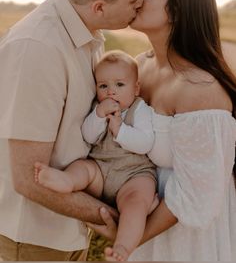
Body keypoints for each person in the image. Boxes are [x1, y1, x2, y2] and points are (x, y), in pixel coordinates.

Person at [0, 0, 153, 261]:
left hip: (66, 232)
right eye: (134, 1)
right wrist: (111, 216)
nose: (141, 5)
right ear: (100, 6)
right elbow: (28, 178)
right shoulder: (38, 49)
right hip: (31, 240)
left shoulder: (88, 36)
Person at [87, 0, 236, 261]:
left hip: (186, 235)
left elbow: (196, 194)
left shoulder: (200, 88)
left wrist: (129, 239)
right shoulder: (137, 67)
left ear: (177, 11)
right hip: (140, 215)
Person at [34, 50, 159, 262]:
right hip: (101, 168)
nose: (111, 92)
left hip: (134, 174)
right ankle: (66, 180)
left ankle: (123, 247)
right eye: (103, 86)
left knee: (136, 203)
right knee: (83, 167)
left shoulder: (140, 109)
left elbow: (146, 142)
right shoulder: (97, 109)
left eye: (120, 85)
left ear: (136, 88)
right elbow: (88, 136)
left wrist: (120, 131)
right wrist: (99, 115)